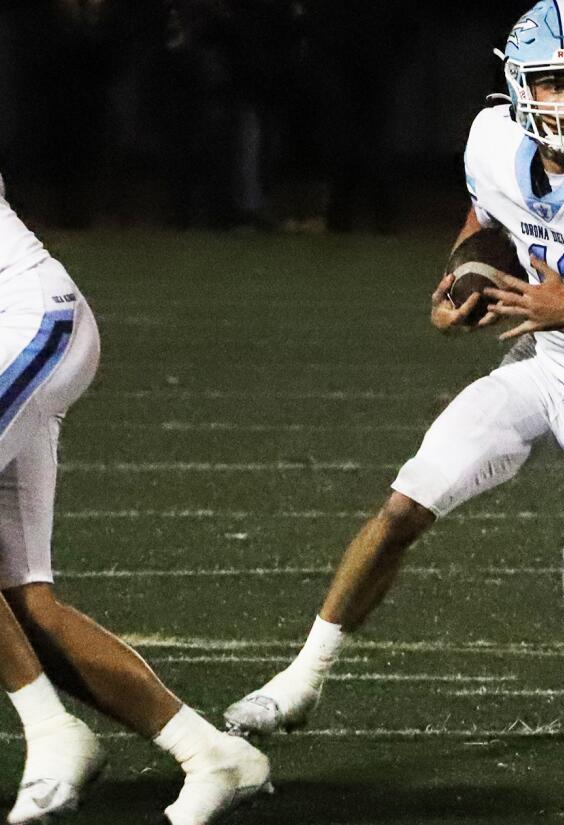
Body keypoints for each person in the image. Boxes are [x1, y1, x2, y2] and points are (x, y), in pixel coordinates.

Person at [224, 0, 564, 735]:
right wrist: (461, 279)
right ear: (520, 85)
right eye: (555, 83)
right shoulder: (492, 139)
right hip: (542, 366)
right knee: (403, 506)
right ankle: (301, 680)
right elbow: (485, 222)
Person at [0, 183, 270, 824]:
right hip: (25, 323)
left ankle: (51, 732)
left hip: (25, 319)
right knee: (22, 600)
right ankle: (209, 754)